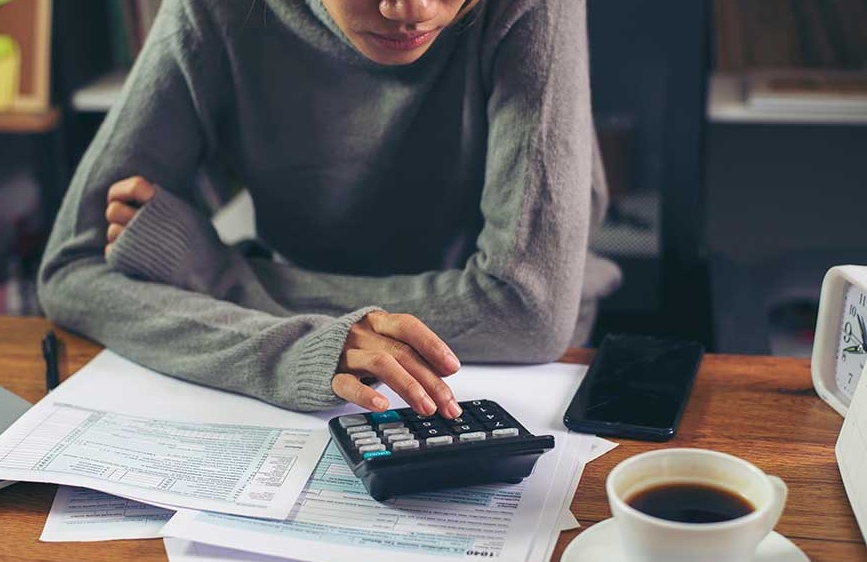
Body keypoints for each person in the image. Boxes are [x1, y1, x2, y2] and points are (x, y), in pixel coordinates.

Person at [38, 0, 621, 419]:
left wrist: (223, 278)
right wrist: (302, 347)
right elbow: (73, 270)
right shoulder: (210, 11)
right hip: (294, 354)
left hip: (504, 369)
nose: (412, 10)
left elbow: (528, 312)